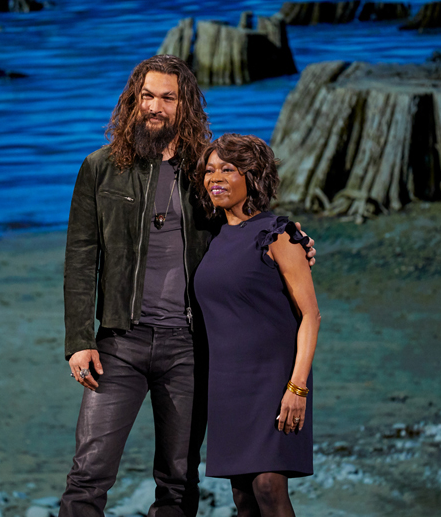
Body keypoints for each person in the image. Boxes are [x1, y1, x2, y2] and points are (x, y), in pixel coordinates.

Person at [60, 55, 316, 517]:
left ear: (186, 106)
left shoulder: (204, 173)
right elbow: (81, 256)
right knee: (88, 473)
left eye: (167, 98)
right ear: (133, 101)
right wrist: (79, 340)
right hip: (119, 339)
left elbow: (245, 223)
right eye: (147, 96)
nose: (155, 107)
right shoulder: (99, 168)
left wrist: (291, 239)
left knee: (178, 479)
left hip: (191, 346)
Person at [194, 133, 320, 516]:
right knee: (243, 498)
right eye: (209, 169)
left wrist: (297, 388)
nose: (215, 177)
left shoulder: (278, 233)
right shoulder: (212, 237)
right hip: (227, 383)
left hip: (274, 379)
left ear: (253, 176)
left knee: (268, 486)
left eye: (227, 169)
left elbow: (311, 316)